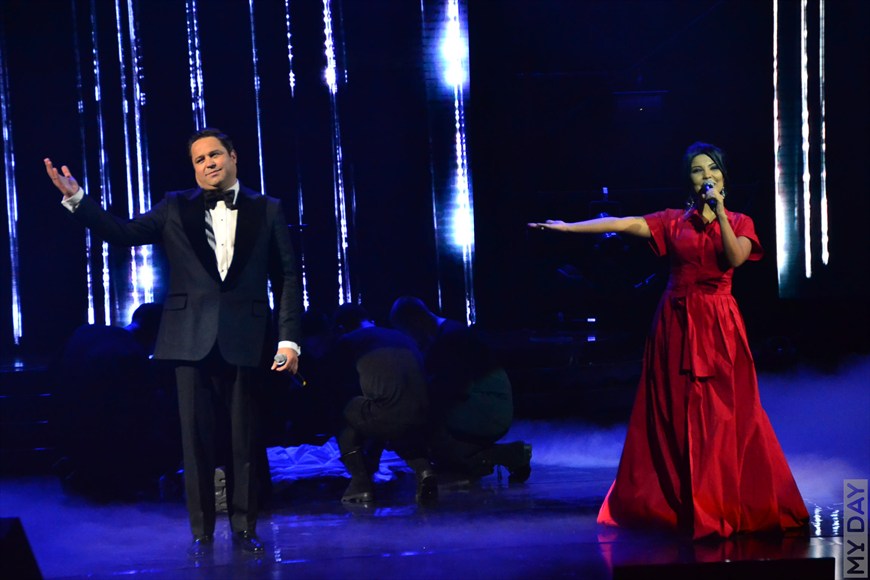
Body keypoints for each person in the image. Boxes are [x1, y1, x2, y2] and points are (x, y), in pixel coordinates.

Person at [528, 142, 809, 539]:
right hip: (675, 325)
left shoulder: (741, 221)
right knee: (675, 413)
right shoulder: (673, 221)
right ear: (688, 180)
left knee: (726, 413)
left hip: (719, 326)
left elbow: (735, 259)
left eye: (712, 168)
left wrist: (721, 214)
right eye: (697, 170)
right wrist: (567, 228)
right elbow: (622, 223)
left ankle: (725, 500)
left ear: (724, 176)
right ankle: (680, 503)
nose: (706, 175)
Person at [44, 128, 304, 556]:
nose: (208, 163)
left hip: (246, 337)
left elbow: (288, 277)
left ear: (233, 156)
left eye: (214, 154)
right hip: (188, 339)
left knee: (244, 439)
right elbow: (122, 233)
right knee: (195, 441)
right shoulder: (174, 206)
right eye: (199, 159)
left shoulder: (267, 208)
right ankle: (201, 533)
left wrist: (288, 340)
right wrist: (78, 200)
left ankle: (245, 527)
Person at [389, 296, 531, 482]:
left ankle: (499, 456)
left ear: (415, 322)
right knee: (420, 429)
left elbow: (444, 390)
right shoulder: (449, 334)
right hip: (486, 406)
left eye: (407, 332)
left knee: (415, 430)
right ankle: (487, 456)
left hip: (486, 410)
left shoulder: (450, 339)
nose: (410, 339)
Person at [326, 303, 437, 505]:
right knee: (389, 413)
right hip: (425, 415)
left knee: (343, 409)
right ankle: (424, 470)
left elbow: (334, 385)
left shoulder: (348, 340)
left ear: (341, 328)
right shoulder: (402, 336)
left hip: (388, 416)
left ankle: (360, 484)